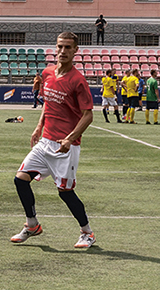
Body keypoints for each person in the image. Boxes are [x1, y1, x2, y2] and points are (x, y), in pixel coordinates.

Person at [10, 32, 98, 250]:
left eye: (68, 47)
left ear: (75, 51)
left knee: (65, 193)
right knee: (20, 179)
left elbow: (88, 115)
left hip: (65, 147)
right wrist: (39, 126)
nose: (63, 51)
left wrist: (69, 138)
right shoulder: (48, 73)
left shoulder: (78, 81)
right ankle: (32, 225)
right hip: (46, 141)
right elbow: (48, 103)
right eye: (60, 46)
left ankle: (87, 232)